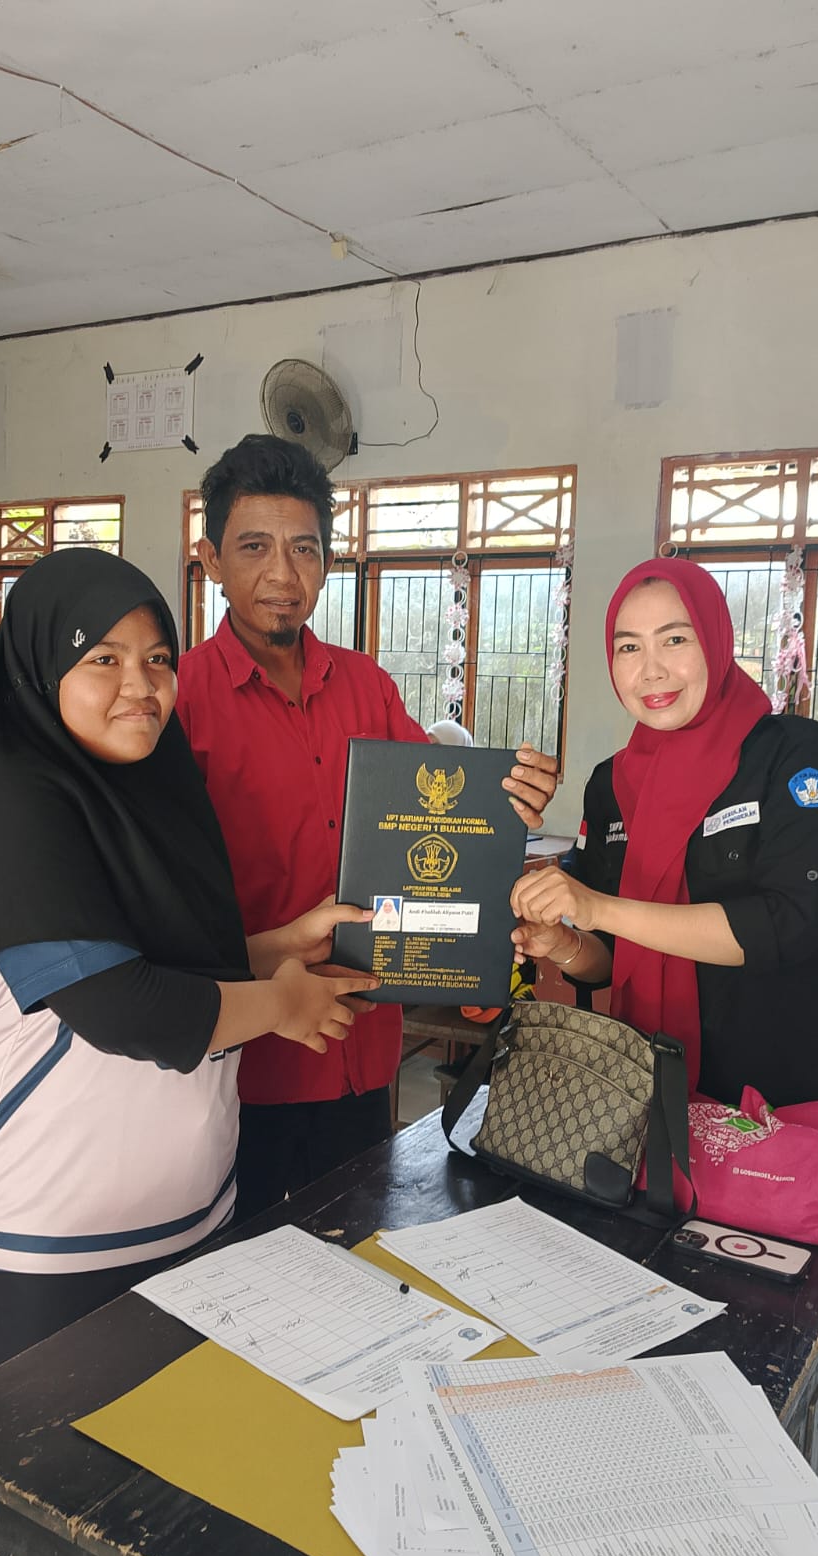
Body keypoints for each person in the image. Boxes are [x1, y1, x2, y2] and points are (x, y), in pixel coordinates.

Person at [510, 556, 818, 1556]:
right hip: (655, 1110)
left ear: (717, 640)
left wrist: (597, 910)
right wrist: (564, 943)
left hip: (779, 1116)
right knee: (662, 1360)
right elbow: (608, 958)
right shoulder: (611, 785)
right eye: (627, 646)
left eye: (674, 639)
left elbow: (788, 926)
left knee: (795, 1373)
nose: (651, 669)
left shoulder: (792, 756)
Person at [0, 549, 376, 1386]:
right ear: (41, 667)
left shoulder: (156, 794)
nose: (141, 685)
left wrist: (281, 944)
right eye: (104, 658)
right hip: (52, 1240)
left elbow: (160, 954)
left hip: (194, 1209)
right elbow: (120, 1003)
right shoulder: (14, 815)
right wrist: (281, 1005)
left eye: (158, 658)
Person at [178, 434, 558, 1220]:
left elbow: (438, 826)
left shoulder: (366, 686)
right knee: (247, 1266)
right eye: (254, 547)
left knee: (357, 1245)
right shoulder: (180, 701)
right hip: (245, 1060)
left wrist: (509, 800)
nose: (283, 575)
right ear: (210, 559)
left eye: (304, 549)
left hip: (363, 1046)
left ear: (327, 561)